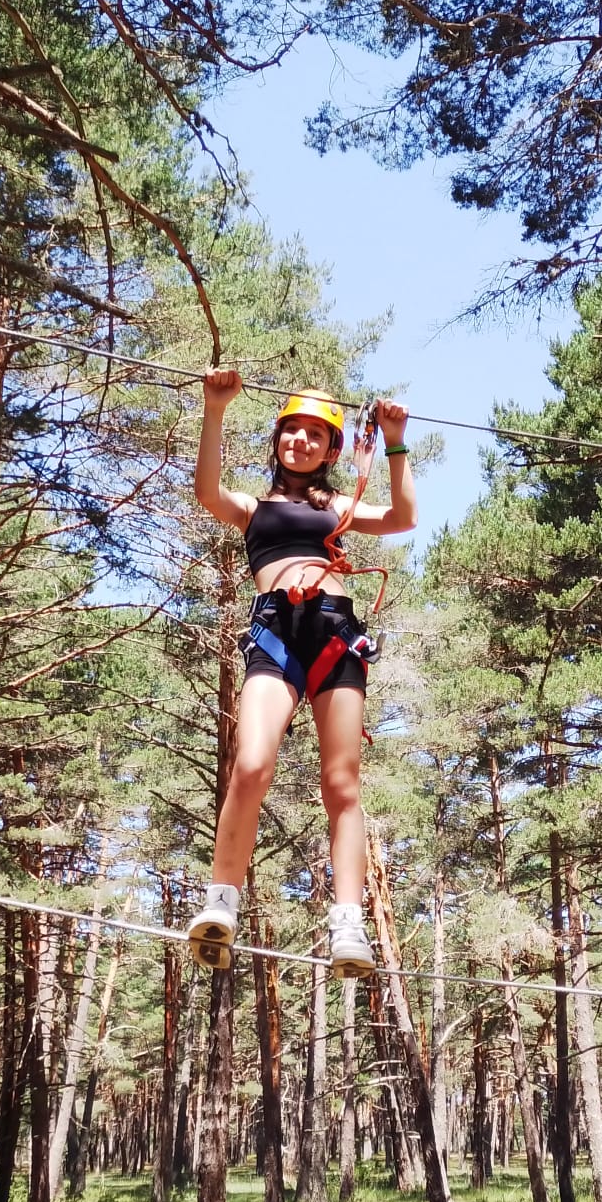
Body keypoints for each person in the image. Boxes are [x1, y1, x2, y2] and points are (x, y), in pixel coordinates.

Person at [187, 367, 416, 977]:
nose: (301, 442)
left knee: (342, 786)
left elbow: (401, 518)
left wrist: (394, 443)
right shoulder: (253, 507)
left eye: (316, 435)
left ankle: (348, 925)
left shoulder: (337, 505)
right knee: (252, 765)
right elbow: (207, 492)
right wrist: (216, 408)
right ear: (278, 440)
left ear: (330, 450)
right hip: (276, 632)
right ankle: (220, 905)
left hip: (335, 634)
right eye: (293, 431)